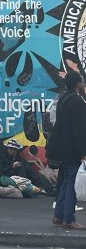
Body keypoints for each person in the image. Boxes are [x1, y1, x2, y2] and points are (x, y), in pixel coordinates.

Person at [48, 70, 86, 229]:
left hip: (62, 147)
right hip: (72, 149)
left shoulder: (62, 98)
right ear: (77, 84)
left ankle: (58, 215)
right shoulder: (77, 101)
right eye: (82, 81)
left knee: (64, 182)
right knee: (72, 183)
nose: (83, 83)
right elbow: (80, 129)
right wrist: (83, 151)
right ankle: (69, 218)